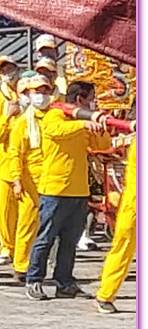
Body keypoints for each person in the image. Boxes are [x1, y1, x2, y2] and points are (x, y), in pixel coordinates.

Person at [25, 81, 111, 300]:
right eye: (91, 98)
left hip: (79, 190)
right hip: (55, 189)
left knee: (69, 241)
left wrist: (101, 126)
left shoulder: (84, 121)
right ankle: (34, 280)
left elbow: (101, 144)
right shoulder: (55, 114)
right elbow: (55, 131)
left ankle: (65, 282)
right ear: (81, 100)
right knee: (45, 238)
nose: (93, 102)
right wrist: (82, 124)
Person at [7, 75, 51, 281]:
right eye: (36, 92)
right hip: (30, 179)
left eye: (44, 91)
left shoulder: (55, 117)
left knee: (49, 226)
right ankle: (21, 265)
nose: (41, 95)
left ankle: (40, 264)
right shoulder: (24, 122)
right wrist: (16, 181)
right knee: (27, 223)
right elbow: (15, 153)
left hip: (51, 178)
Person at [95, 134, 136, 313]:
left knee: (121, 249)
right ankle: (105, 295)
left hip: (132, 204)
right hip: (134, 206)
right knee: (122, 249)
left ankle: (105, 295)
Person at [0, 56, 22, 264]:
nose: (7, 72)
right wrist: (8, 116)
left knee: (25, 208)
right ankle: (6, 247)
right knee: (5, 209)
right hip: (4, 159)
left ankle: (22, 247)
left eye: (10, 68)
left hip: (26, 160)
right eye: (3, 70)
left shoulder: (27, 91)